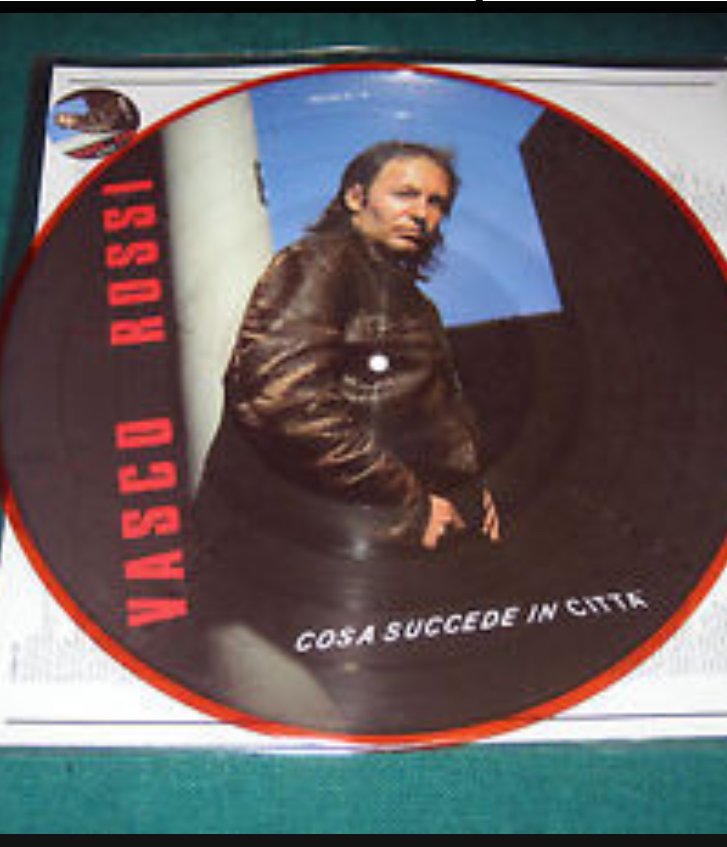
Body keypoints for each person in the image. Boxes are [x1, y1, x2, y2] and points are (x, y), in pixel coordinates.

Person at [186, 143, 503, 726]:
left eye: (437, 203)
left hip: (378, 546)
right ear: (356, 197)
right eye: (405, 194)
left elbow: (432, 417)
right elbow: (283, 401)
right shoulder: (321, 263)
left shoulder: (414, 302)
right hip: (300, 557)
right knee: (323, 724)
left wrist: (472, 490)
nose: (422, 214)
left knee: (416, 714)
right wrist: (409, 502)